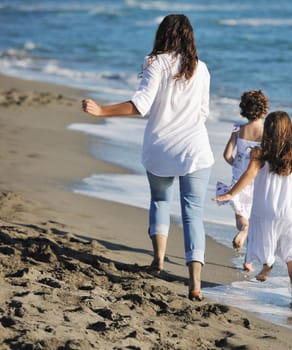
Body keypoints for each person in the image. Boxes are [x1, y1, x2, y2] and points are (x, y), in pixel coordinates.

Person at [82, 14, 214, 302]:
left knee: (160, 201)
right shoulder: (202, 69)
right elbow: (204, 113)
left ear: (163, 34)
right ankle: (194, 284)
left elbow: (141, 105)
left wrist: (101, 111)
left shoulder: (155, 62)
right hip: (196, 148)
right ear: (190, 37)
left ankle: (159, 261)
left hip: (162, 147)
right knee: (193, 213)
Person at [213, 111, 292, 309]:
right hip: (290, 212)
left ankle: (267, 267)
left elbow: (249, 175)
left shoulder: (258, 153)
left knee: (262, 241)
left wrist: (230, 194)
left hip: (266, 210)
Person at [220, 89, 269, 272]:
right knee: (256, 220)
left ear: (244, 110)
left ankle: (242, 230)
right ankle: (248, 261)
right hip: (259, 180)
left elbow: (226, 155)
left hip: (239, 180)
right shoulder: (266, 133)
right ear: (264, 111)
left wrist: (236, 165)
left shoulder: (238, 129)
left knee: (242, 218)